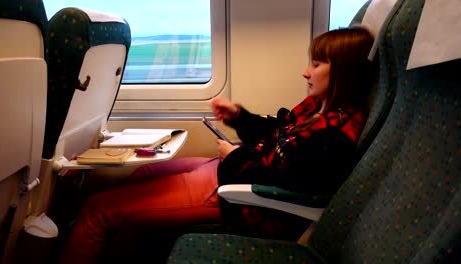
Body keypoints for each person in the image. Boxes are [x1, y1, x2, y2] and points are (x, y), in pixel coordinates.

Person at [58, 26, 375, 264]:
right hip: (236, 167)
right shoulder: (318, 108)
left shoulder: (333, 138)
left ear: (344, 73)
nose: (306, 71)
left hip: (242, 194)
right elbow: (277, 133)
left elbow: (284, 181)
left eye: (317, 64)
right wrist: (239, 117)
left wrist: (235, 157)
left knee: (97, 210)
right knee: (144, 174)